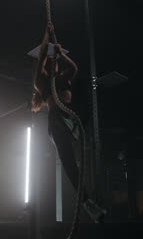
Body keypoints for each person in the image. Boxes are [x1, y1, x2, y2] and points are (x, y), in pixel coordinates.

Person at [31, 22, 106, 222]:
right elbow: (40, 59)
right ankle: (87, 203)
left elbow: (74, 67)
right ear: (47, 67)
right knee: (69, 164)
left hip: (71, 119)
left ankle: (93, 199)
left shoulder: (64, 77)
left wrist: (60, 54)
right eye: (50, 61)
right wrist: (47, 36)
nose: (51, 61)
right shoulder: (42, 83)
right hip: (56, 122)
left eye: (53, 61)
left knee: (90, 105)